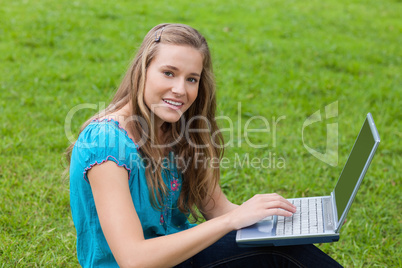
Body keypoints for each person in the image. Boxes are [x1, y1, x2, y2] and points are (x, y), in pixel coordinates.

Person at [67, 23, 342, 267]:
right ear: (143, 70)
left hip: (179, 256)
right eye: (168, 73)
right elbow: (134, 259)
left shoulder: (179, 129)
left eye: (191, 79)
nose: (180, 89)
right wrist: (229, 224)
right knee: (278, 255)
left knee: (281, 247)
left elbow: (219, 209)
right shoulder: (105, 144)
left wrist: (285, 221)